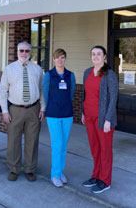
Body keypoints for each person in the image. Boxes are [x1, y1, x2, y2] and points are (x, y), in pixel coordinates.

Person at [0, 41, 45, 182]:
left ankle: (30, 169)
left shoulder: (37, 69)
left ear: (30, 53)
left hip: (33, 109)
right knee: (13, 140)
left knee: (32, 140)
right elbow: (3, 91)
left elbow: (42, 90)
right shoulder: (9, 69)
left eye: (27, 51)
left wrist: (43, 107)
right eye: (21, 51)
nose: (24, 53)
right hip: (15, 110)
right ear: (17, 52)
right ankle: (14, 169)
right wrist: (5, 111)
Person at [81, 45, 118, 194]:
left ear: (104, 57)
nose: (95, 56)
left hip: (103, 119)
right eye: (93, 54)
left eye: (98, 54)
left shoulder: (110, 74)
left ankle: (105, 180)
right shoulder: (87, 72)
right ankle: (96, 176)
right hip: (89, 116)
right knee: (95, 148)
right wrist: (83, 112)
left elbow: (113, 98)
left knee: (105, 150)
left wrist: (108, 119)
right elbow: (85, 94)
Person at [43, 48, 76, 187]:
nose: (60, 60)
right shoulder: (49, 75)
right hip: (53, 114)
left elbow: (72, 92)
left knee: (63, 145)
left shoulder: (70, 75)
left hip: (67, 114)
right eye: (57, 57)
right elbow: (45, 93)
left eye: (62, 57)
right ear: (53, 59)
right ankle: (54, 175)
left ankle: (60, 172)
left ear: (65, 59)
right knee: (57, 145)